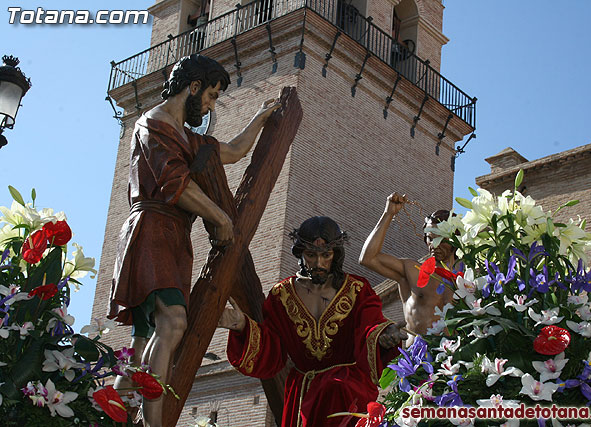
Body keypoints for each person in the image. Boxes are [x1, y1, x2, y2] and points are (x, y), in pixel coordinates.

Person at [107, 54, 280, 427]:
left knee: (143, 341)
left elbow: (232, 152)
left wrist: (260, 119)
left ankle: (111, 415)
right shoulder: (154, 123)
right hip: (152, 228)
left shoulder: (187, 135)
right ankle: (154, 422)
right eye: (212, 96)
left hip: (171, 237)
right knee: (172, 322)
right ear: (194, 87)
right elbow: (174, 181)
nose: (210, 104)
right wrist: (219, 216)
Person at [218, 216, 406, 427]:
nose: (318, 263)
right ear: (300, 253)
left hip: (346, 388)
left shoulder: (358, 289)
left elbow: (370, 326)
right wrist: (242, 325)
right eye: (311, 255)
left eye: (326, 255)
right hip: (303, 394)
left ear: (336, 255)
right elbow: (272, 349)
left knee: (334, 388)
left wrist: (384, 336)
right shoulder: (281, 295)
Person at [359, 193, 458, 346]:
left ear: (455, 239)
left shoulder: (469, 278)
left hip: (458, 361)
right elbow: (368, 258)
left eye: (440, 239)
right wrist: (388, 213)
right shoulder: (413, 270)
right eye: (430, 238)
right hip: (415, 360)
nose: (433, 244)